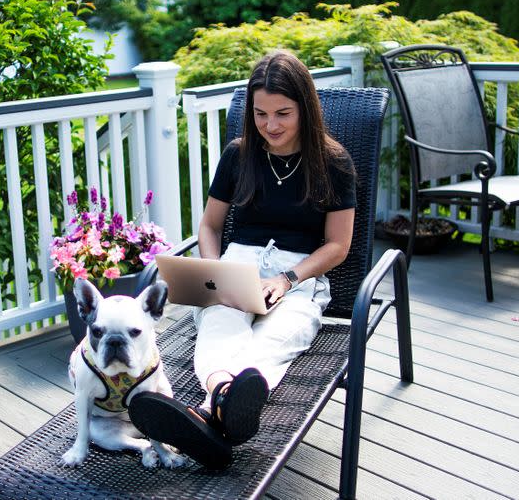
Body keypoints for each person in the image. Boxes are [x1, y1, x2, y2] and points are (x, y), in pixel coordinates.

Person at [128, 50, 357, 469]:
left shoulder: (333, 162)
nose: (270, 126)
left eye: (283, 113)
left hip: (300, 275)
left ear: (305, 107)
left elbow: (337, 246)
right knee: (219, 325)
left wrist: (287, 279)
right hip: (238, 265)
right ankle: (224, 403)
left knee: (279, 335)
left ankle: (210, 409)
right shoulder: (239, 154)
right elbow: (210, 227)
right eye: (260, 114)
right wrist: (215, 274)